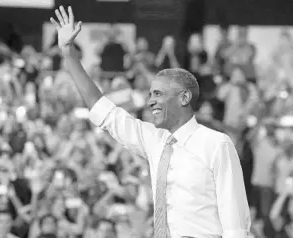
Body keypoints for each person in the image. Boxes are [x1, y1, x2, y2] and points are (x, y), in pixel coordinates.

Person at [50, 6, 250, 238]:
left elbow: (235, 222)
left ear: (184, 97)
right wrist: (68, 55)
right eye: (150, 94)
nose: (150, 102)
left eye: (158, 94)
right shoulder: (155, 140)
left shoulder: (216, 144)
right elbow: (102, 109)